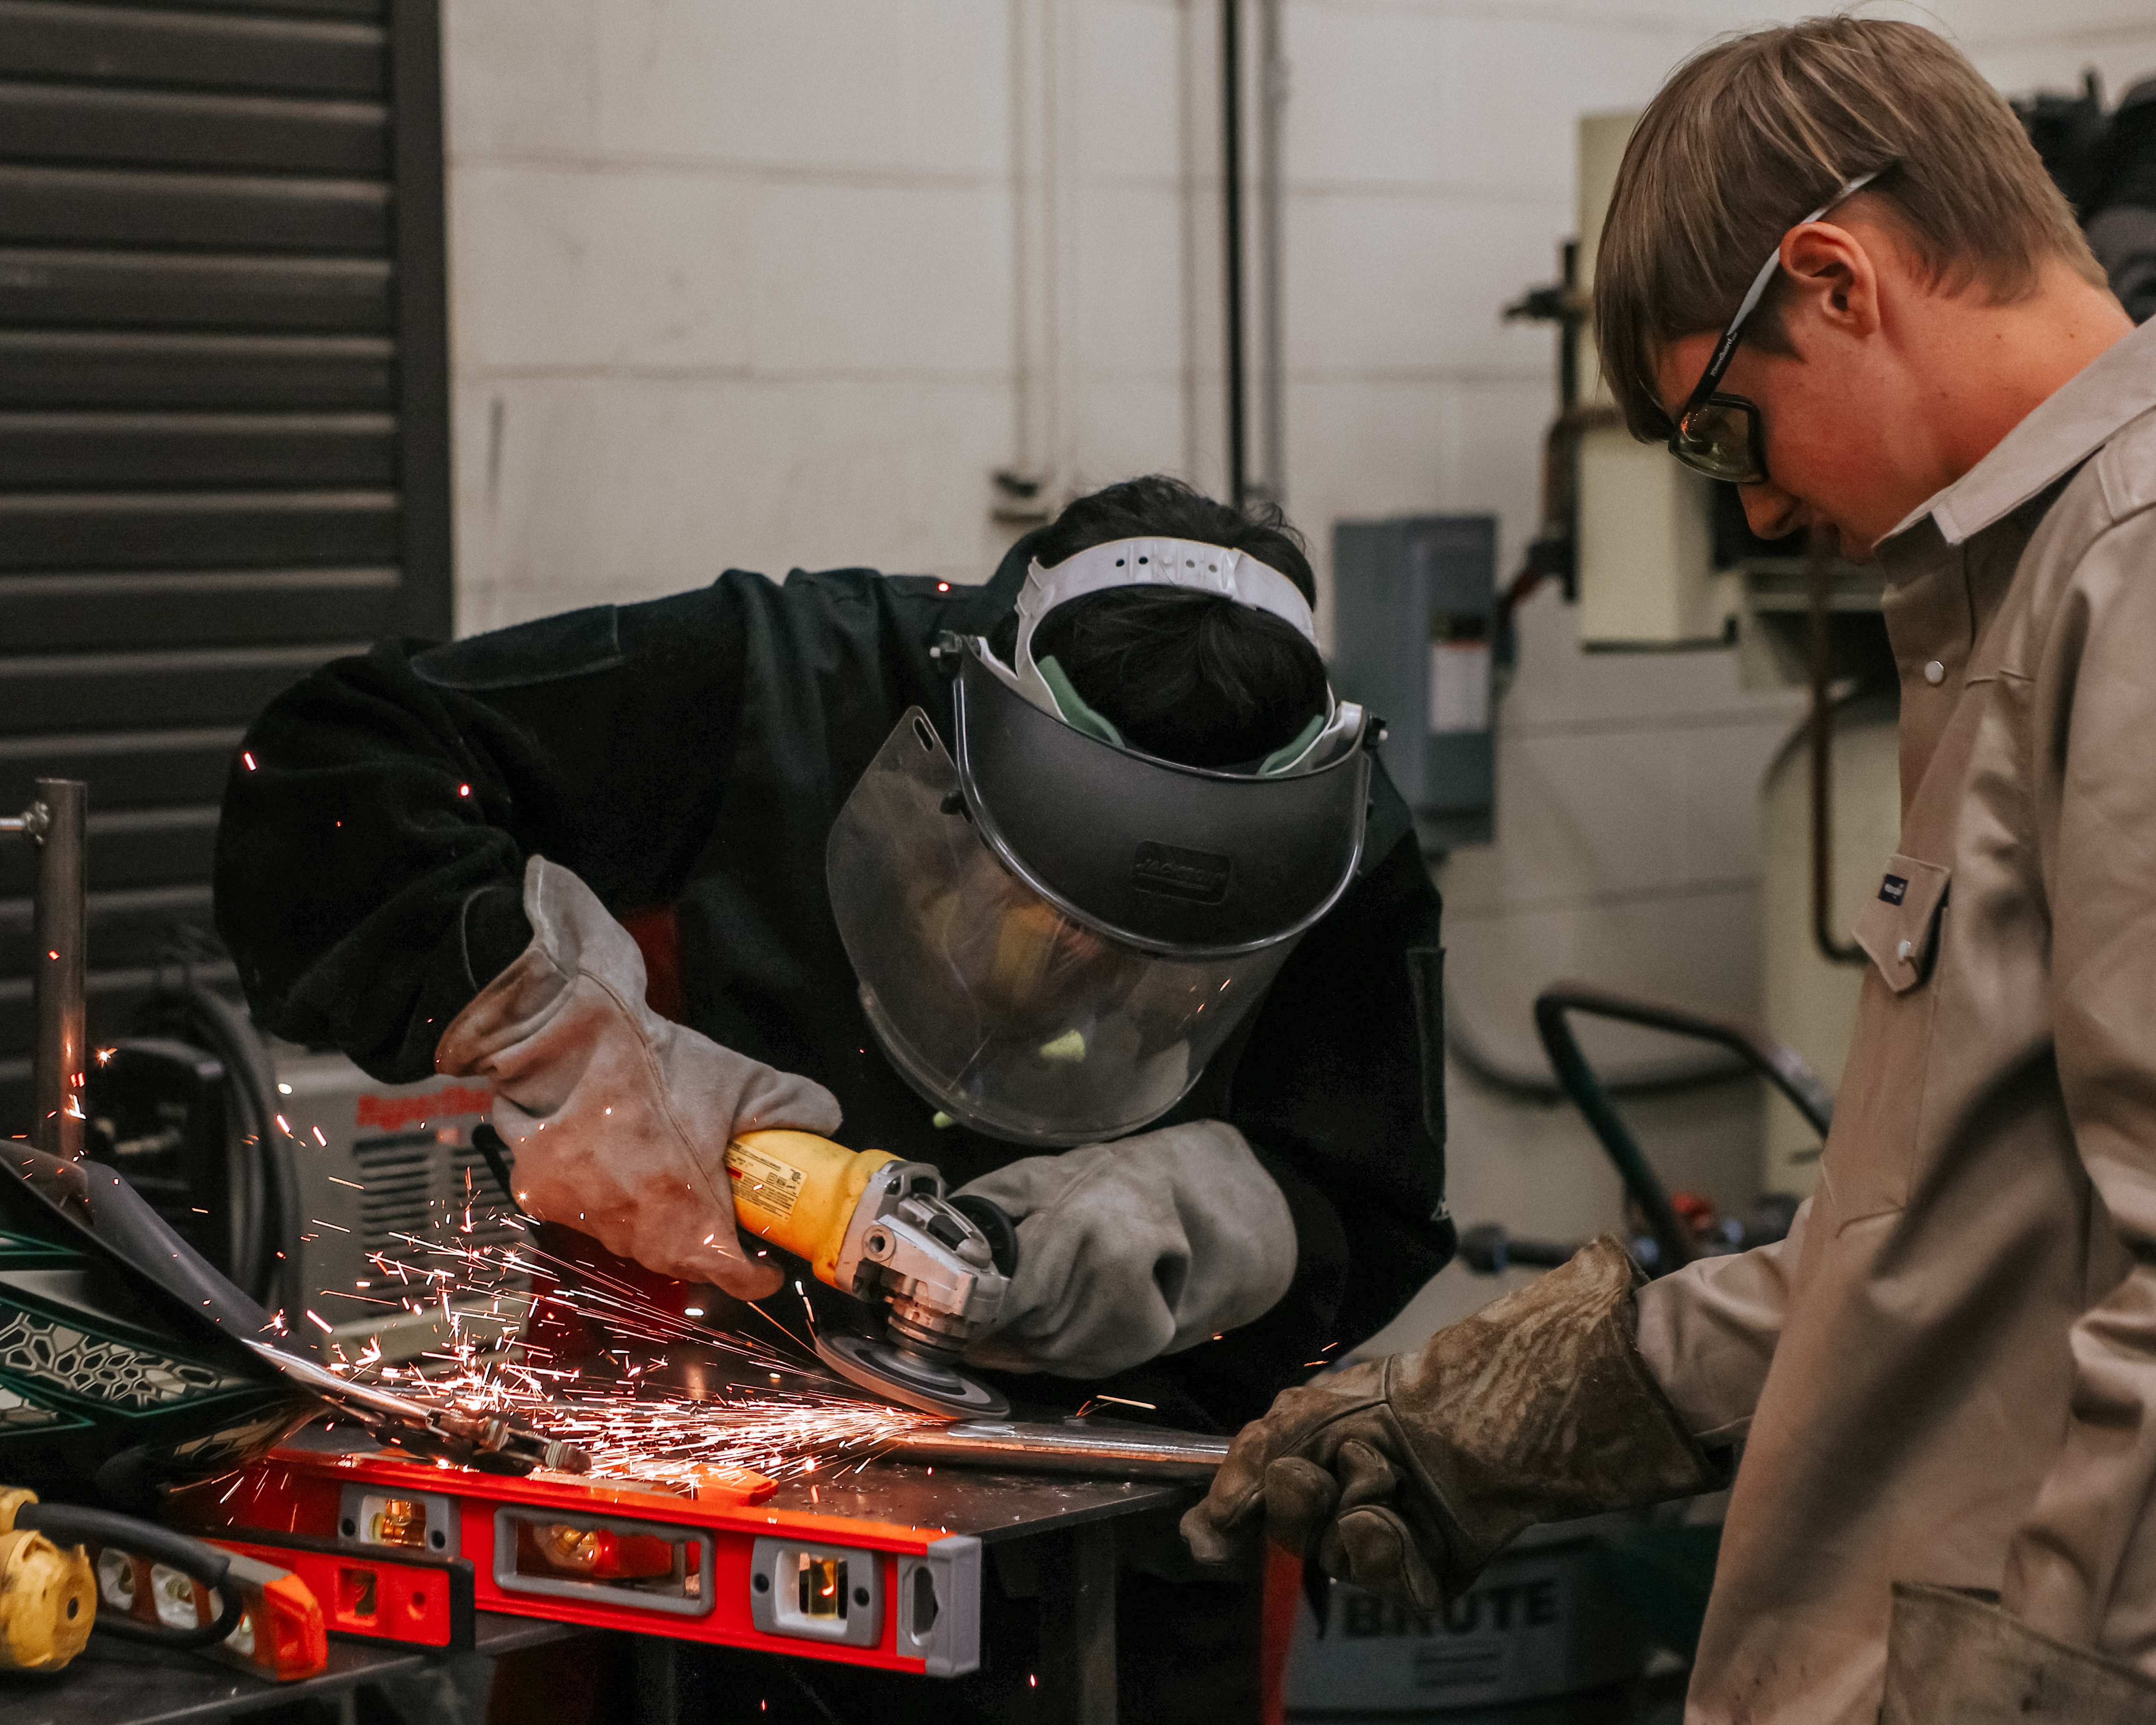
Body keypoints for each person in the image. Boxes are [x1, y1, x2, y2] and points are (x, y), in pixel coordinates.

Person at [1183, 18, 2156, 1723]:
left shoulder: (2130, 581)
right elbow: (1935, 1252)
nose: (1758, 515)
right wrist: (1521, 1411)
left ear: (1836, 281)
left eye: (1727, 431)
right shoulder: (2016, 599)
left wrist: (2058, 1680)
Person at [214, 474, 1454, 1722]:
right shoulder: (791, 688)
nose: (1096, 991)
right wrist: (556, 1031)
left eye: (1164, 968)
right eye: (1061, 919)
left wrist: (1205, 1224)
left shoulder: (1321, 836)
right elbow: (336, 762)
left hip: (1119, 1561)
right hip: (698, 1498)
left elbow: (1366, 1185)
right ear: (981, 738)